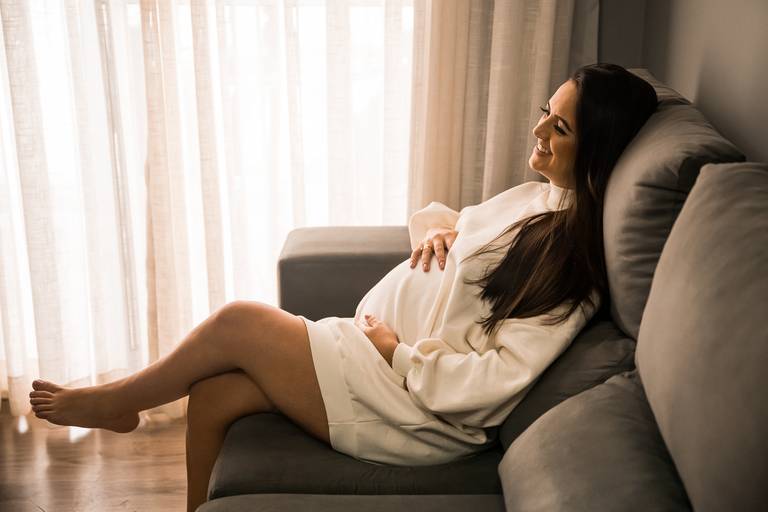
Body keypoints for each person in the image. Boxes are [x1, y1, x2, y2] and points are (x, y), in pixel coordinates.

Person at [28, 62, 658, 511]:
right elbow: (459, 224)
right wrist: (438, 231)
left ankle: (116, 402)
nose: (540, 131)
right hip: (370, 363)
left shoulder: (573, 277)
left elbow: (494, 381)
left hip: (412, 407)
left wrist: (396, 352)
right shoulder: (537, 199)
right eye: (546, 113)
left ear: (595, 152)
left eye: (560, 129)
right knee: (215, 395)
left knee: (239, 321)